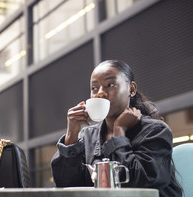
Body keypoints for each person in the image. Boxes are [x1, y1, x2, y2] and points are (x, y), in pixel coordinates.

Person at [51, 60, 182, 197]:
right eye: (94, 88)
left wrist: (119, 132)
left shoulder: (155, 131)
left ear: (131, 89)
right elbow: (65, 186)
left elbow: (139, 185)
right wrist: (72, 133)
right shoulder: (87, 135)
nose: (100, 93)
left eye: (111, 85)